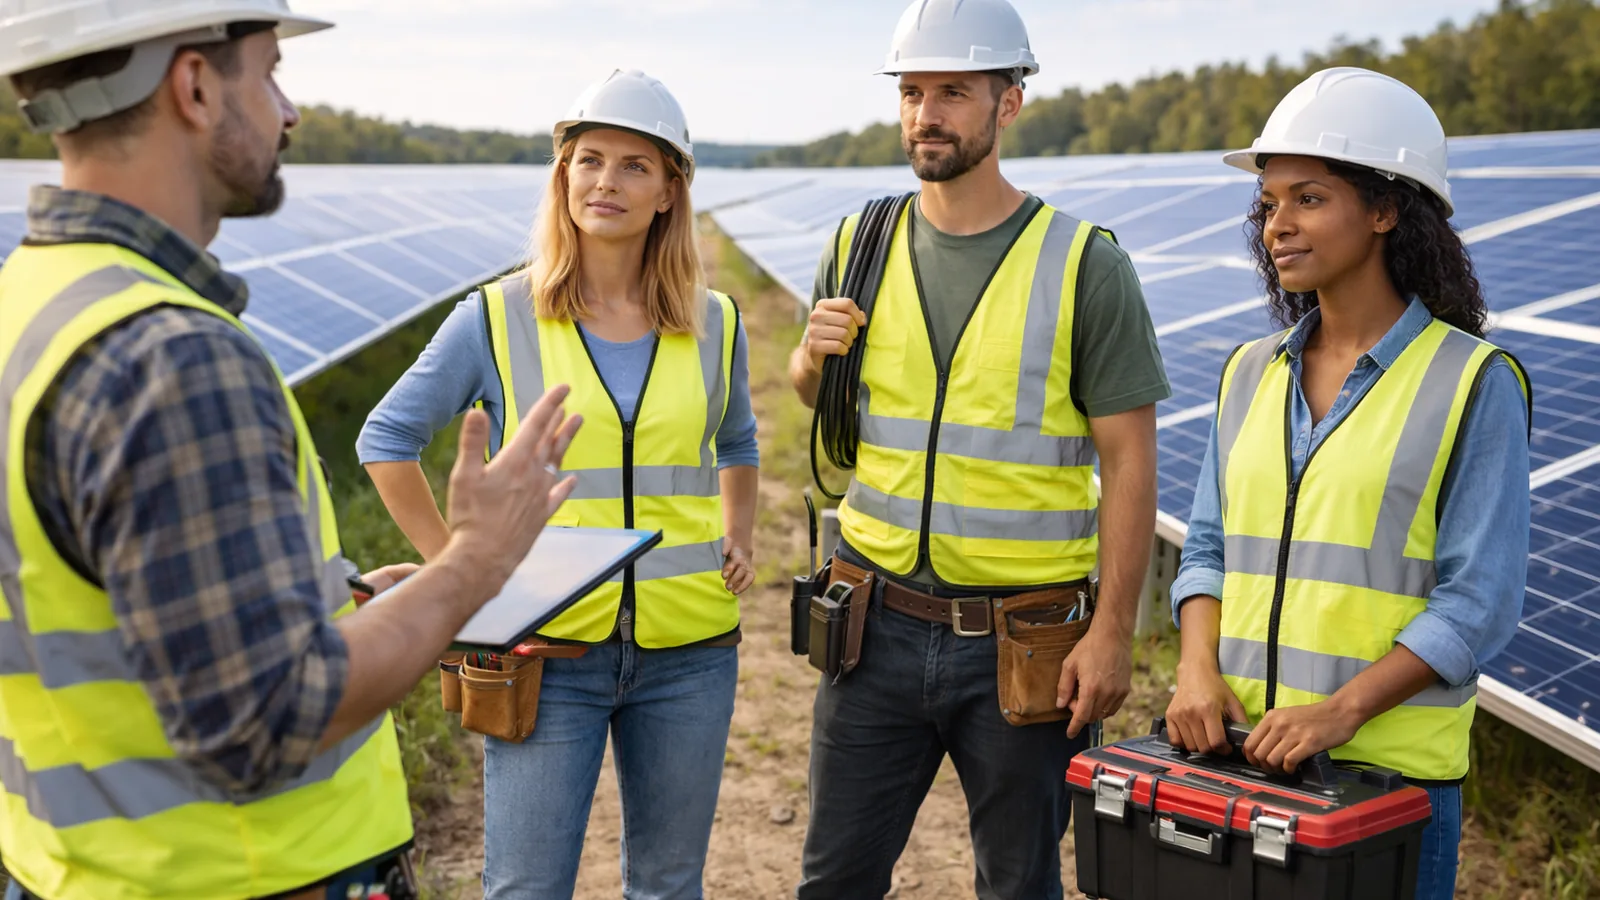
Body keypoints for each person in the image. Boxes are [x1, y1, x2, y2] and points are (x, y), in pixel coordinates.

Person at [0, 2, 583, 899]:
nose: (289, 109)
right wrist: (473, 564)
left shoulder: (30, 301)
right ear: (194, 86)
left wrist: (340, 605)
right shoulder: (171, 357)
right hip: (242, 875)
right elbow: (270, 718)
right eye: (270, 70)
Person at [785, 1, 1168, 896]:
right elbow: (819, 398)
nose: (927, 114)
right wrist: (809, 356)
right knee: (833, 881)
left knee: (1019, 885)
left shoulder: (1085, 266)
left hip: (1025, 644)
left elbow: (1132, 465)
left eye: (953, 92)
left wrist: (1112, 632)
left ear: (1010, 103)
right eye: (913, 92)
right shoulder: (856, 243)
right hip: (870, 624)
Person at [358, 68, 759, 899]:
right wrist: (460, 576)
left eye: (633, 166)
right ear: (563, 175)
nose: (605, 180)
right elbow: (386, 438)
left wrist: (741, 530)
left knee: (668, 885)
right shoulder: (496, 316)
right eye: (588, 160)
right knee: (527, 888)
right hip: (544, 654)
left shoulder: (716, 320)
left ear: (668, 192)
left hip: (690, 654)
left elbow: (738, 440)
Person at [1163, 67, 1531, 900]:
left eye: (1308, 198)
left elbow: (1480, 602)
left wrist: (1341, 711)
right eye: (1268, 204)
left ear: (1385, 208)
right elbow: (1210, 548)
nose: (1276, 226)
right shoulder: (1248, 373)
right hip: (1239, 762)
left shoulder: (1474, 381)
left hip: (1386, 788)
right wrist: (1196, 669)